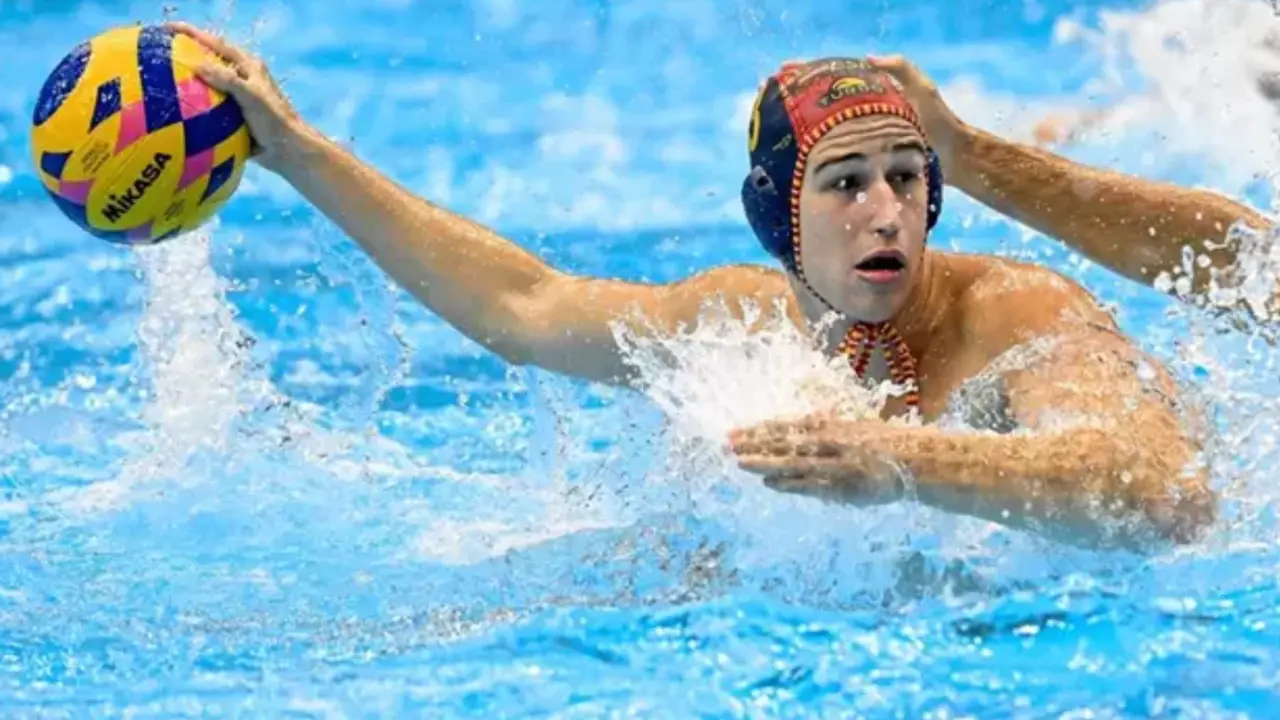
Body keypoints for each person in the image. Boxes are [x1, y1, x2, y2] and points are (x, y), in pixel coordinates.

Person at [169, 22, 1231, 551]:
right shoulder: (740, 316)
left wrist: (900, 459)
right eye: (846, 184)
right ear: (778, 215)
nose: (883, 213)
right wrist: (297, 154)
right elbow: (522, 308)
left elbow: (1161, 492)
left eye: (906, 180)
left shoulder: (1013, 313)